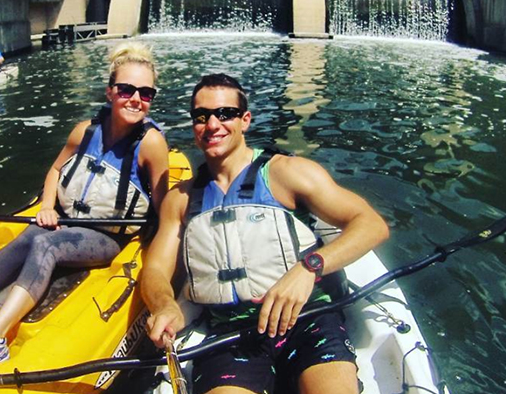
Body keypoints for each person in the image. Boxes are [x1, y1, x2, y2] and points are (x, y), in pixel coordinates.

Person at [0, 42, 170, 377]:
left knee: (46, 244)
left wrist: (157, 252)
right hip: (66, 221)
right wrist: (48, 205)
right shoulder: (85, 131)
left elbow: (162, 207)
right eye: (127, 89)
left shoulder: (151, 144)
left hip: (104, 237)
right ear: (110, 92)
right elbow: (55, 171)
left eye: (146, 92)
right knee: (29, 236)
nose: (136, 99)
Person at [141, 73, 390, 394]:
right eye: (201, 117)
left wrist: (308, 267)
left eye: (224, 114)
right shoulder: (180, 200)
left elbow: (370, 224)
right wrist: (164, 305)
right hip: (232, 336)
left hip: (307, 321)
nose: (212, 124)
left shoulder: (288, 173)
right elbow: (156, 269)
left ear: (245, 120)